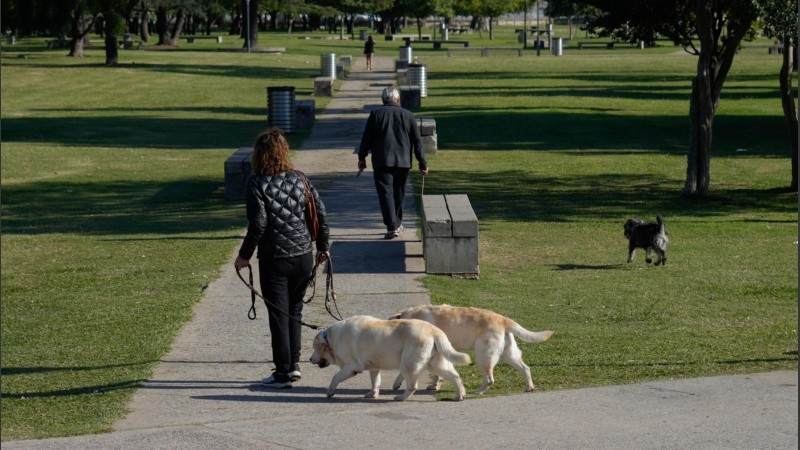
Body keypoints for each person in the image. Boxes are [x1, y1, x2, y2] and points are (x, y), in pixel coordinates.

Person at [234, 128, 330, 389]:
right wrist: (323, 246)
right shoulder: (300, 178)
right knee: (295, 311)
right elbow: (320, 213)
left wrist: (244, 256)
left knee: (278, 314)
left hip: (275, 258)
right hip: (302, 255)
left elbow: (259, 224)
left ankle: (282, 372)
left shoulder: (256, 183)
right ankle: (293, 366)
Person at [358, 87, 428, 239]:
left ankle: (393, 225)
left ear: (383, 100)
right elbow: (417, 142)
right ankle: (396, 223)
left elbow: (367, 138)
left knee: (386, 194)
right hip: (402, 162)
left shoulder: (376, 114)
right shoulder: (408, 115)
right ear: (398, 100)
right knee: (399, 194)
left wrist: (362, 157)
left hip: (382, 161)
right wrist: (422, 163)